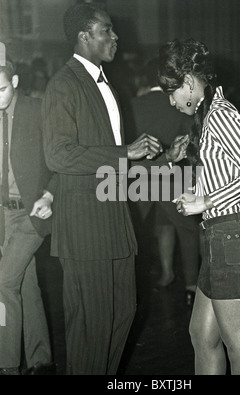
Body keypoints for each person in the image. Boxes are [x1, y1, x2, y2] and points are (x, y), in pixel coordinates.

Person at [41, 3, 187, 375]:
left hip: (115, 222)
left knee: (122, 315)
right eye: (107, 30)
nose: (115, 36)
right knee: (92, 328)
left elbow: (116, 165)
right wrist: (125, 151)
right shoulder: (63, 84)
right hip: (85, 226)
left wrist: (165, 161)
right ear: (84, 36)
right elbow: (58, 156)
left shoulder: (108, 87)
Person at [158, 38, 240, 375]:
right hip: (220, 238)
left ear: (187, 82)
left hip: (236, 238)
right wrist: (193, 189)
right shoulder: (208, 118)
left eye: (171, 92)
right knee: (202, 335)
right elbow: (226, 175)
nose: (171, 101)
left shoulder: (222, 116)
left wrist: (207, 200)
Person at [0, 48, 56, 375]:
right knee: (24, 282)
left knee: (4, 282)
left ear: (16, 81)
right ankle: (41, 360)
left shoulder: (37, 111)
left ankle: (7, 365)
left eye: (2, 89)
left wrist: (49, 195)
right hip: (2, 216)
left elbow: (59, 159)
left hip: (31, 214)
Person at [130, 58, 200, 306]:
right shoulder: (179, 104)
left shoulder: (132, 105)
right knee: (185, 227)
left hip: (139, 178)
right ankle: (191, 285)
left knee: (151, 227)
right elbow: (191, 143)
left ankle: (166, 274)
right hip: (173, 176)